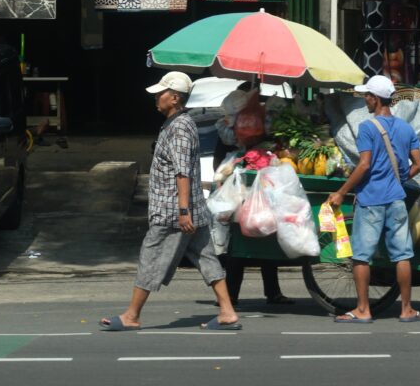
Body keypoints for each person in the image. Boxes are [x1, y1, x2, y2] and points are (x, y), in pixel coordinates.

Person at [100, 71, 240, 331]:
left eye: (161, 93)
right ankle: (227, 312)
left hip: (173, 211)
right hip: (187, 210)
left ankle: (132, 315)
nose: (156, 98)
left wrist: (183, 210)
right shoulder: (176, 124)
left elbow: (182, 172)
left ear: (175, 98)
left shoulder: (180, 128)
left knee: (151, 256)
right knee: (206, 258)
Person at [327, 75, 420, 323]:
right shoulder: (406, 128)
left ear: (375, 98)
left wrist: (341, 192)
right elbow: (418, 165)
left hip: (371, 199)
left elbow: (364, 165)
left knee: (361, 256)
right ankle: (407, 309)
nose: (365, 100)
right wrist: (397, 180)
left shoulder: (367, 128)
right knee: (402, 255)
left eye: (367, 96)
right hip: (397, 199)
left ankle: (363, 309)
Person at [212, 86, 293, 306]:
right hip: (240, 192)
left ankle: (272, 292)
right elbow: (220, 163)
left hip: (260, 189)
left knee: (266, 234)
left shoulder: (261, 128)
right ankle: (232, 295)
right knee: (239, 245)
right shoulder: (232, 130)